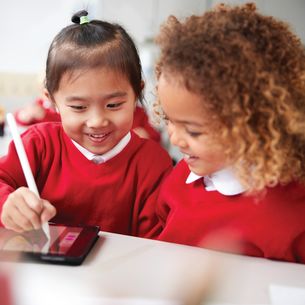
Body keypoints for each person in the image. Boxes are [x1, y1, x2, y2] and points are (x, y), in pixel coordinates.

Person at [154, 3, 305, 263]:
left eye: (193, 131)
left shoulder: (291, 216)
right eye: (169, 120)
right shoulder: (183, 176)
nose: (175, 140)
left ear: (253, 123)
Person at [0, 10, 172, 237]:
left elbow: (156, 246)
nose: (97, 121)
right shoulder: (37, 145)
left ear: (137, 94)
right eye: (79, 107)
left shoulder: (153, 163)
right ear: (52, 100)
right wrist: (7, 205)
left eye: (114, 105)